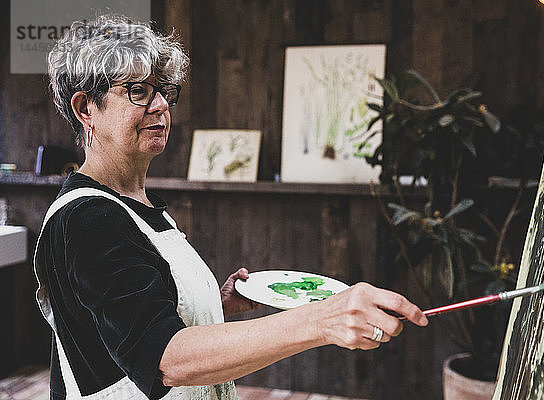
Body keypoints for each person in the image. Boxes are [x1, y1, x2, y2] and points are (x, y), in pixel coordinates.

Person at [35, 14, 428, 400]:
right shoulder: (88, 218)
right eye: (138, 91)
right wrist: (323, 320)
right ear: (86, 108)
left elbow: (125, 315)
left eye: (163, 91)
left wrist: (213, 305)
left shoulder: (135, 204)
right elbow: (165, 359)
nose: (159, 106)